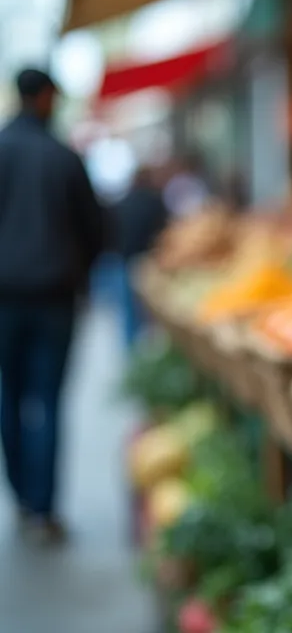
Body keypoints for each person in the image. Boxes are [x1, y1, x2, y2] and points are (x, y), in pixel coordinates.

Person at [0, 69, 106, 543]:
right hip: (55, 299)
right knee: (48, 400)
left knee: (9, 397)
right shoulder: (63, 157)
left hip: (5, 300)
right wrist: (77, 268)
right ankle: (43, 509)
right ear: (44, 97)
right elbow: (98, 230)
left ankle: (23, 500)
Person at [111, 168, 168, 347]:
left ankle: (131, 348)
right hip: (150, 261)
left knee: (129, 311)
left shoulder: (123, 203)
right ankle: (149, 348)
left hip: (127, 259)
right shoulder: (155, 202)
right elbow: (163, 233)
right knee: (151, 312)